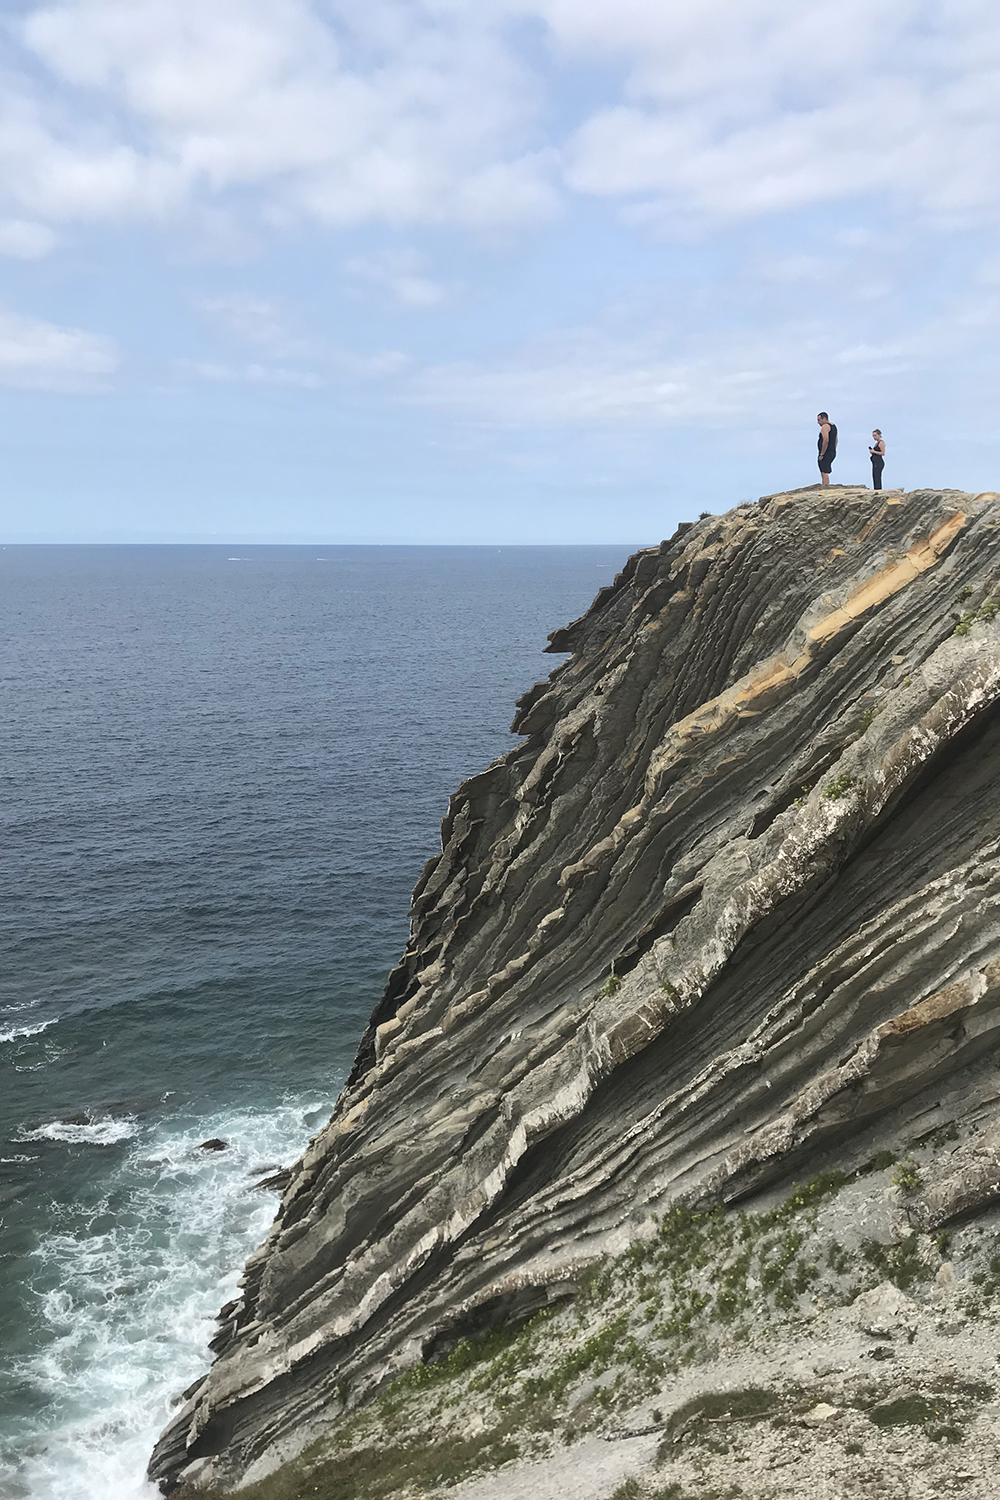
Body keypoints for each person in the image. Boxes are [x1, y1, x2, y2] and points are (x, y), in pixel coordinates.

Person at [817, 412, 837, 485]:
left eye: (819, 420)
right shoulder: (833, 426)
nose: (818, 422)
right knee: (825, 469)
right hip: (832, 451)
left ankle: (825, 486)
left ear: (824, 418)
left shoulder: (825, 426)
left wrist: (822, 453)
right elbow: (836, 440)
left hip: (826, 452)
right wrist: (834, 449)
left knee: (824, 471)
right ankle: (825, 485)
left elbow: (826, 440)